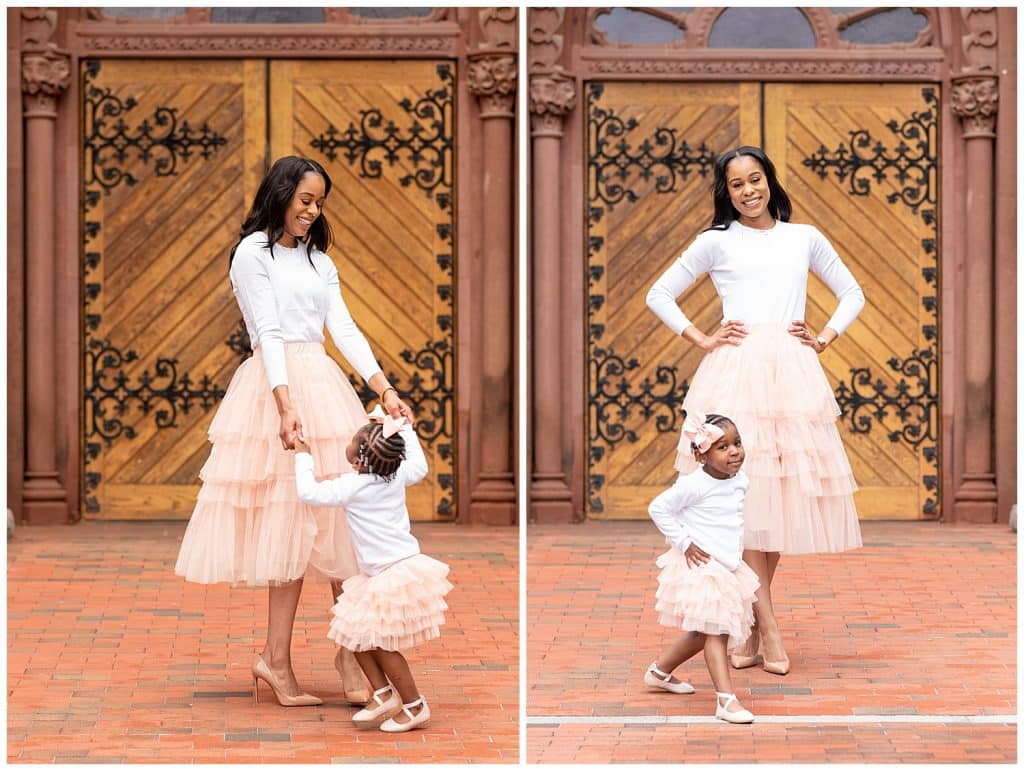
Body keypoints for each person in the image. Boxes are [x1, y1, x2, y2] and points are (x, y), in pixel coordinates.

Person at [174, 156, 414, 707]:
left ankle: (351, 654)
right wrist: (284, 406)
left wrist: (383, 388)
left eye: (320, 202)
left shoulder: (318, 261)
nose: (312, 210)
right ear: (281, 194)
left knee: (340, 527)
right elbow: (270, 330)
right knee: (290, 526)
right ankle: (275, 661)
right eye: (305, 199)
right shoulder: (251, 254)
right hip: (273, 387)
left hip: (323, 386)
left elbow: (344, 327)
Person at [646, 145, 865, 676]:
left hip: (791, 375)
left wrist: (826, 336)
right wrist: (701, 337)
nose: (748, 190)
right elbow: (660, 293)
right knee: (738, 503)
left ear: (769, 182)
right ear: (727, 191)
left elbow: (852, 292)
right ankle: (767, 628)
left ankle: (747, 623)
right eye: (737, 183)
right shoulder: (716, 242)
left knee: (772, 501)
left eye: (756, 179)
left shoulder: (803, 237)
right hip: (735, 373)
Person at [293, 407, 453, 733]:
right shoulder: (395, 477)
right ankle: (382, 694)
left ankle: (414, 705)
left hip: (392, 575)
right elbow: (419, 465)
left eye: (355, 439)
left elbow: (308, 492)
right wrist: (403, 428)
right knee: (352, 633)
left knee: (382, 644)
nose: (350, 440)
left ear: (359, 458)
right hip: (382, 573)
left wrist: (303, 456)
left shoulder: (354, 486)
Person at [644, 411, 759, 724]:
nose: (734, 451)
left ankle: (659, 672)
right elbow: (659, 508)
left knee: (700, 632)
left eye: (737, 443)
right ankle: (726, 700)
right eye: (723, 447)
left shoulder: (740, 480)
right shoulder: (694, 484)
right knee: (716, 631)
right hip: (704, 566)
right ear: (700, 454)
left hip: (727, 564)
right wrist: (683, 541)